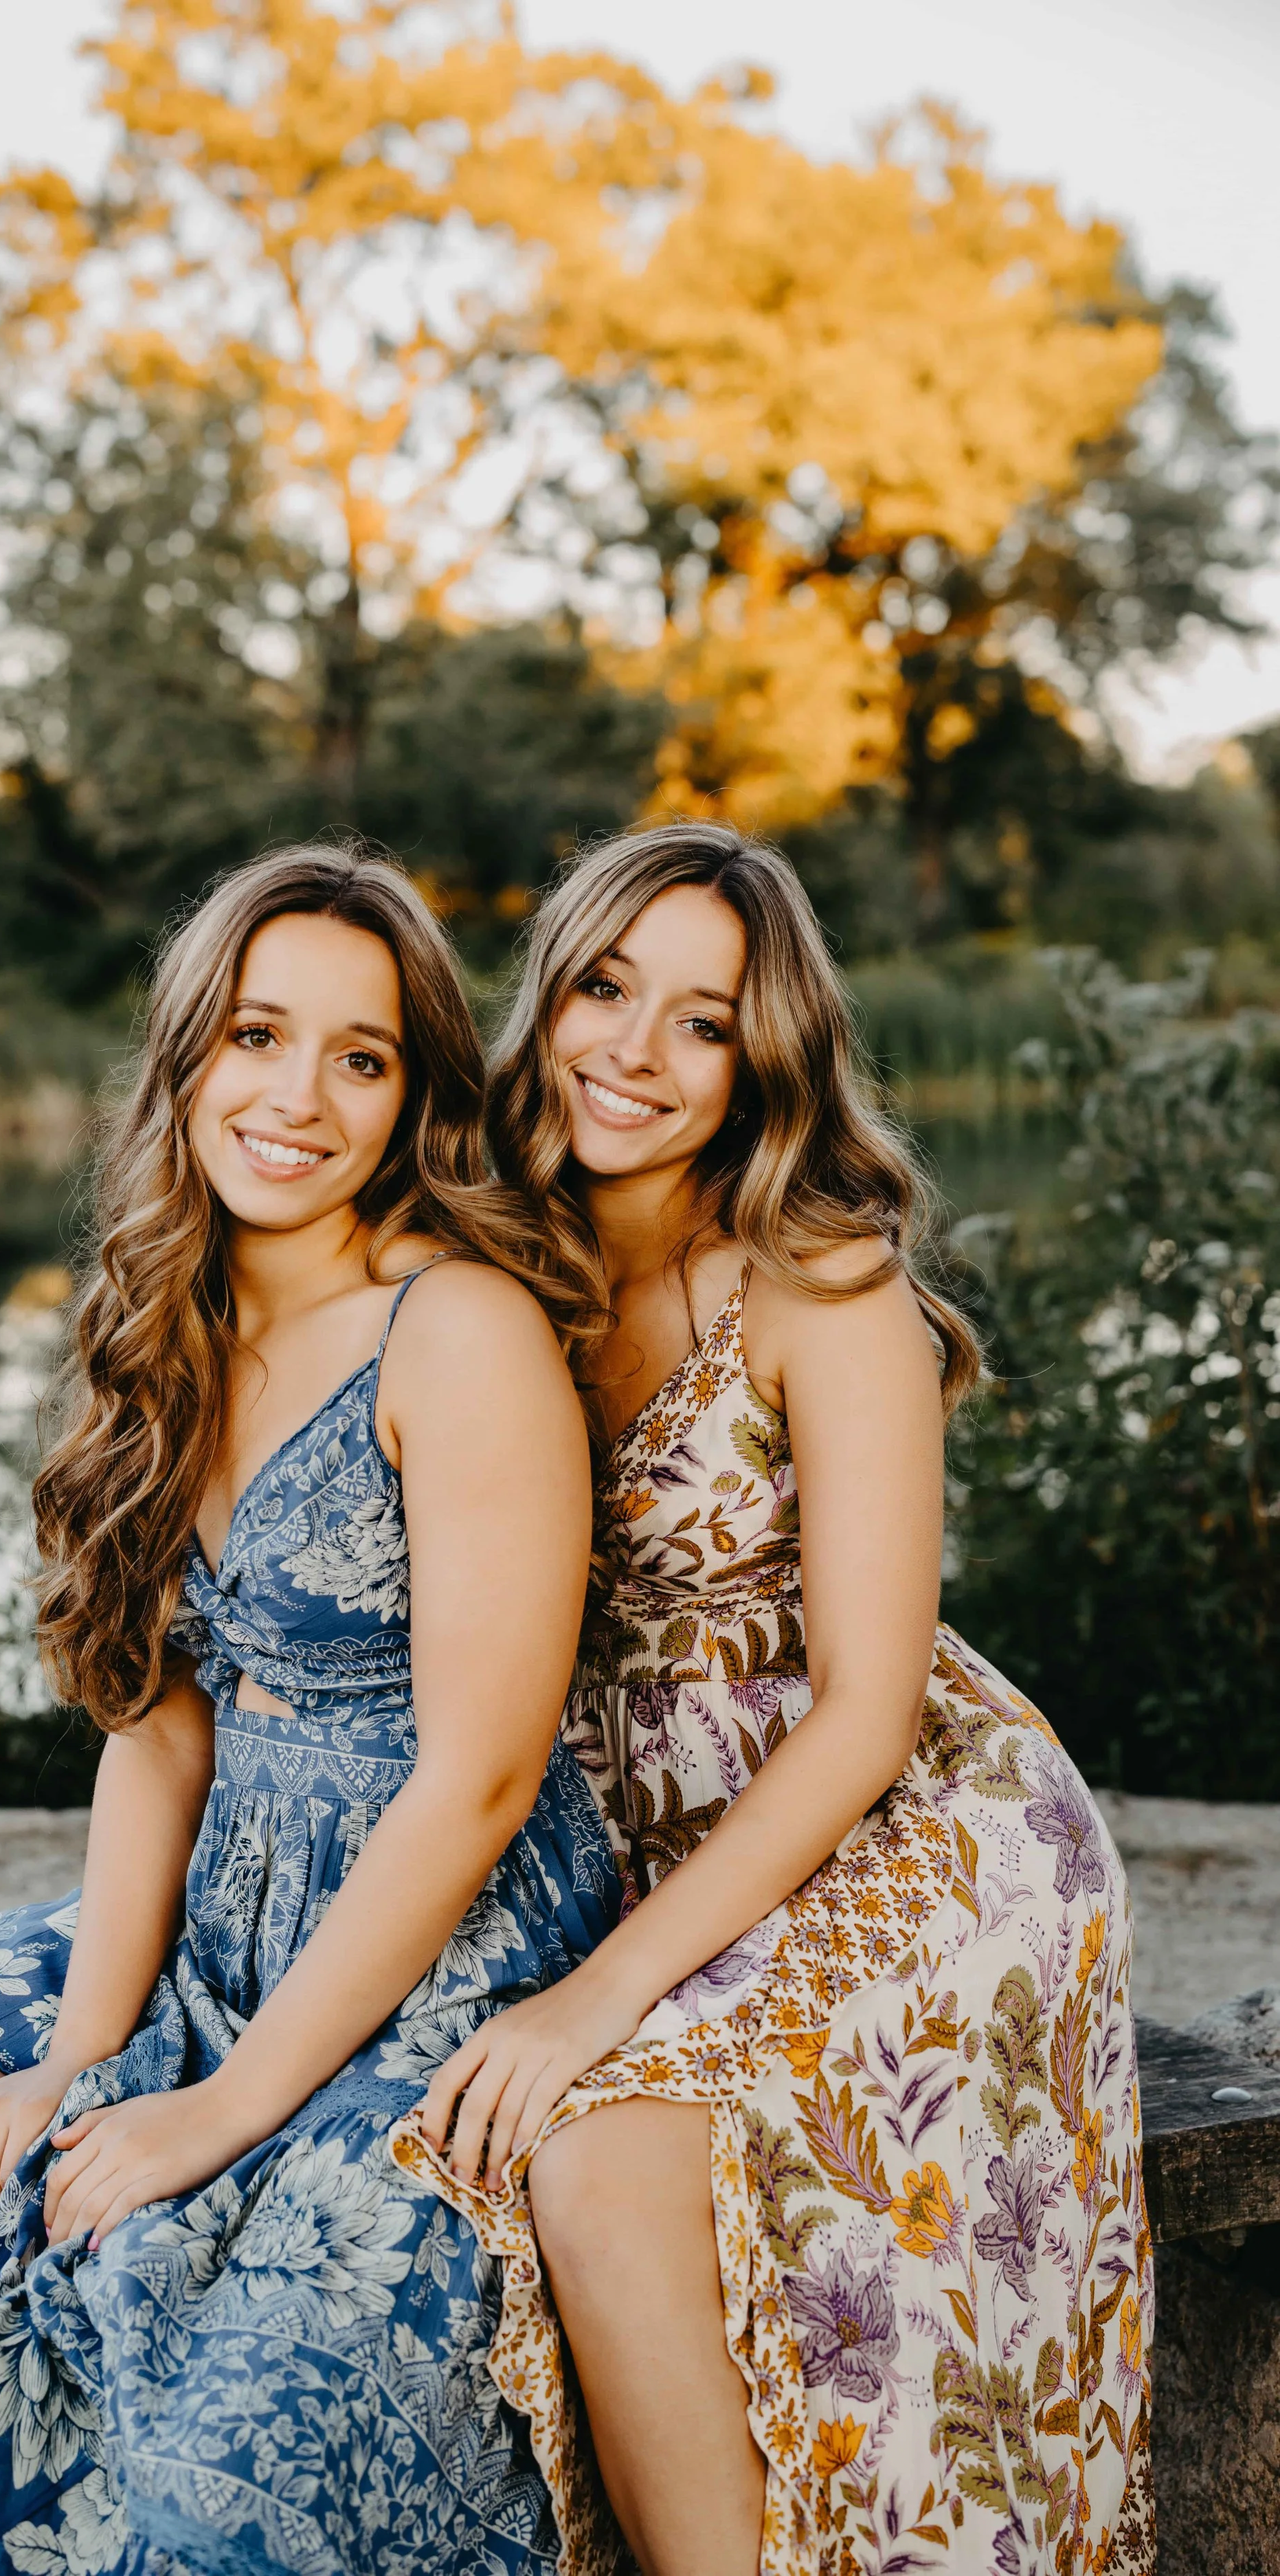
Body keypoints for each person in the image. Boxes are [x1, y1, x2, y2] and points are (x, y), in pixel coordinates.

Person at [0, 845, 621, 2576]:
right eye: (257, 1034)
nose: (296, 1096)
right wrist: (85, 2055)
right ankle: (170, 2190)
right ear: (187, 1052)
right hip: (216, 1926)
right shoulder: (165, 1323)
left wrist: (221, 2104)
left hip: (434, 1953)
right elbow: (159, 1728)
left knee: (217, 2482)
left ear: (414, 1092)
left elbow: (480, 1780)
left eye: (360, 1056)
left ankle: (226, 2199)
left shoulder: (456, 1327)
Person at [400, 825, 1152, 2576]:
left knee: (589, 2152)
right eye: (603, 990)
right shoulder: (476, 1262)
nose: (631, 1055)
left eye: (700, 1022)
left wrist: (590, 1999)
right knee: (436, 2141)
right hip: (614, 1818)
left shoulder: (825, 1282)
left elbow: (868, 1717)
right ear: (548, 991)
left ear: (766, 1056)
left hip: (905, 1830)